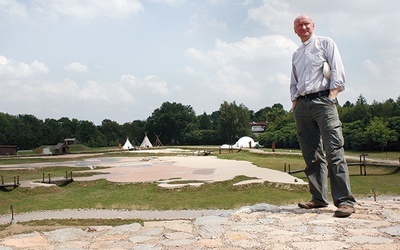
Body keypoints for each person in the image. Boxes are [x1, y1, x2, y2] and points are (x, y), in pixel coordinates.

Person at [290, 15, 356, 217]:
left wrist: (332, 95)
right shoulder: (296, 53)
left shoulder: (325, 43)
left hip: (323, 102)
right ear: (295, 30)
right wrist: (294, 102)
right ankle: (318, 199)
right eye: (299, 25)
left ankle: (345, 201)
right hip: (303, 105)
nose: (303, 27)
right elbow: (294, 80)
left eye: (306, 24)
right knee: (311, 154)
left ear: (313, 26)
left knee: (334, 150)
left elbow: (337, 69)